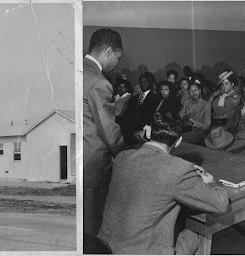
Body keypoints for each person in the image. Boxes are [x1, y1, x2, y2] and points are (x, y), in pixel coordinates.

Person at [98, 112, 230, 255]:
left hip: (105, 248)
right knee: (199, 230)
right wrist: (210, 183)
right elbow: (220, 204)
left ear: (148, 131)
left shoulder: (122, 157)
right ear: (178, 141)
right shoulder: (180, 170)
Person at [83, 28, 126, 237]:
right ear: (108, 52)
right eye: (117, 58)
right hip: (92, 165)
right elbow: (109, 130)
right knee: (92, 228)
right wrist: (124, 154)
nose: (117, 64)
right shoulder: (99, 81)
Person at [122, 73, 161, 145]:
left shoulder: (156, 98)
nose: (143, 83)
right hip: (130, 128)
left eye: (145, 81)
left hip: (144, 128)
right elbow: (127, 113)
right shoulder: (133, 99)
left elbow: (153, 115)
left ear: (149, 82)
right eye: (141, 82)